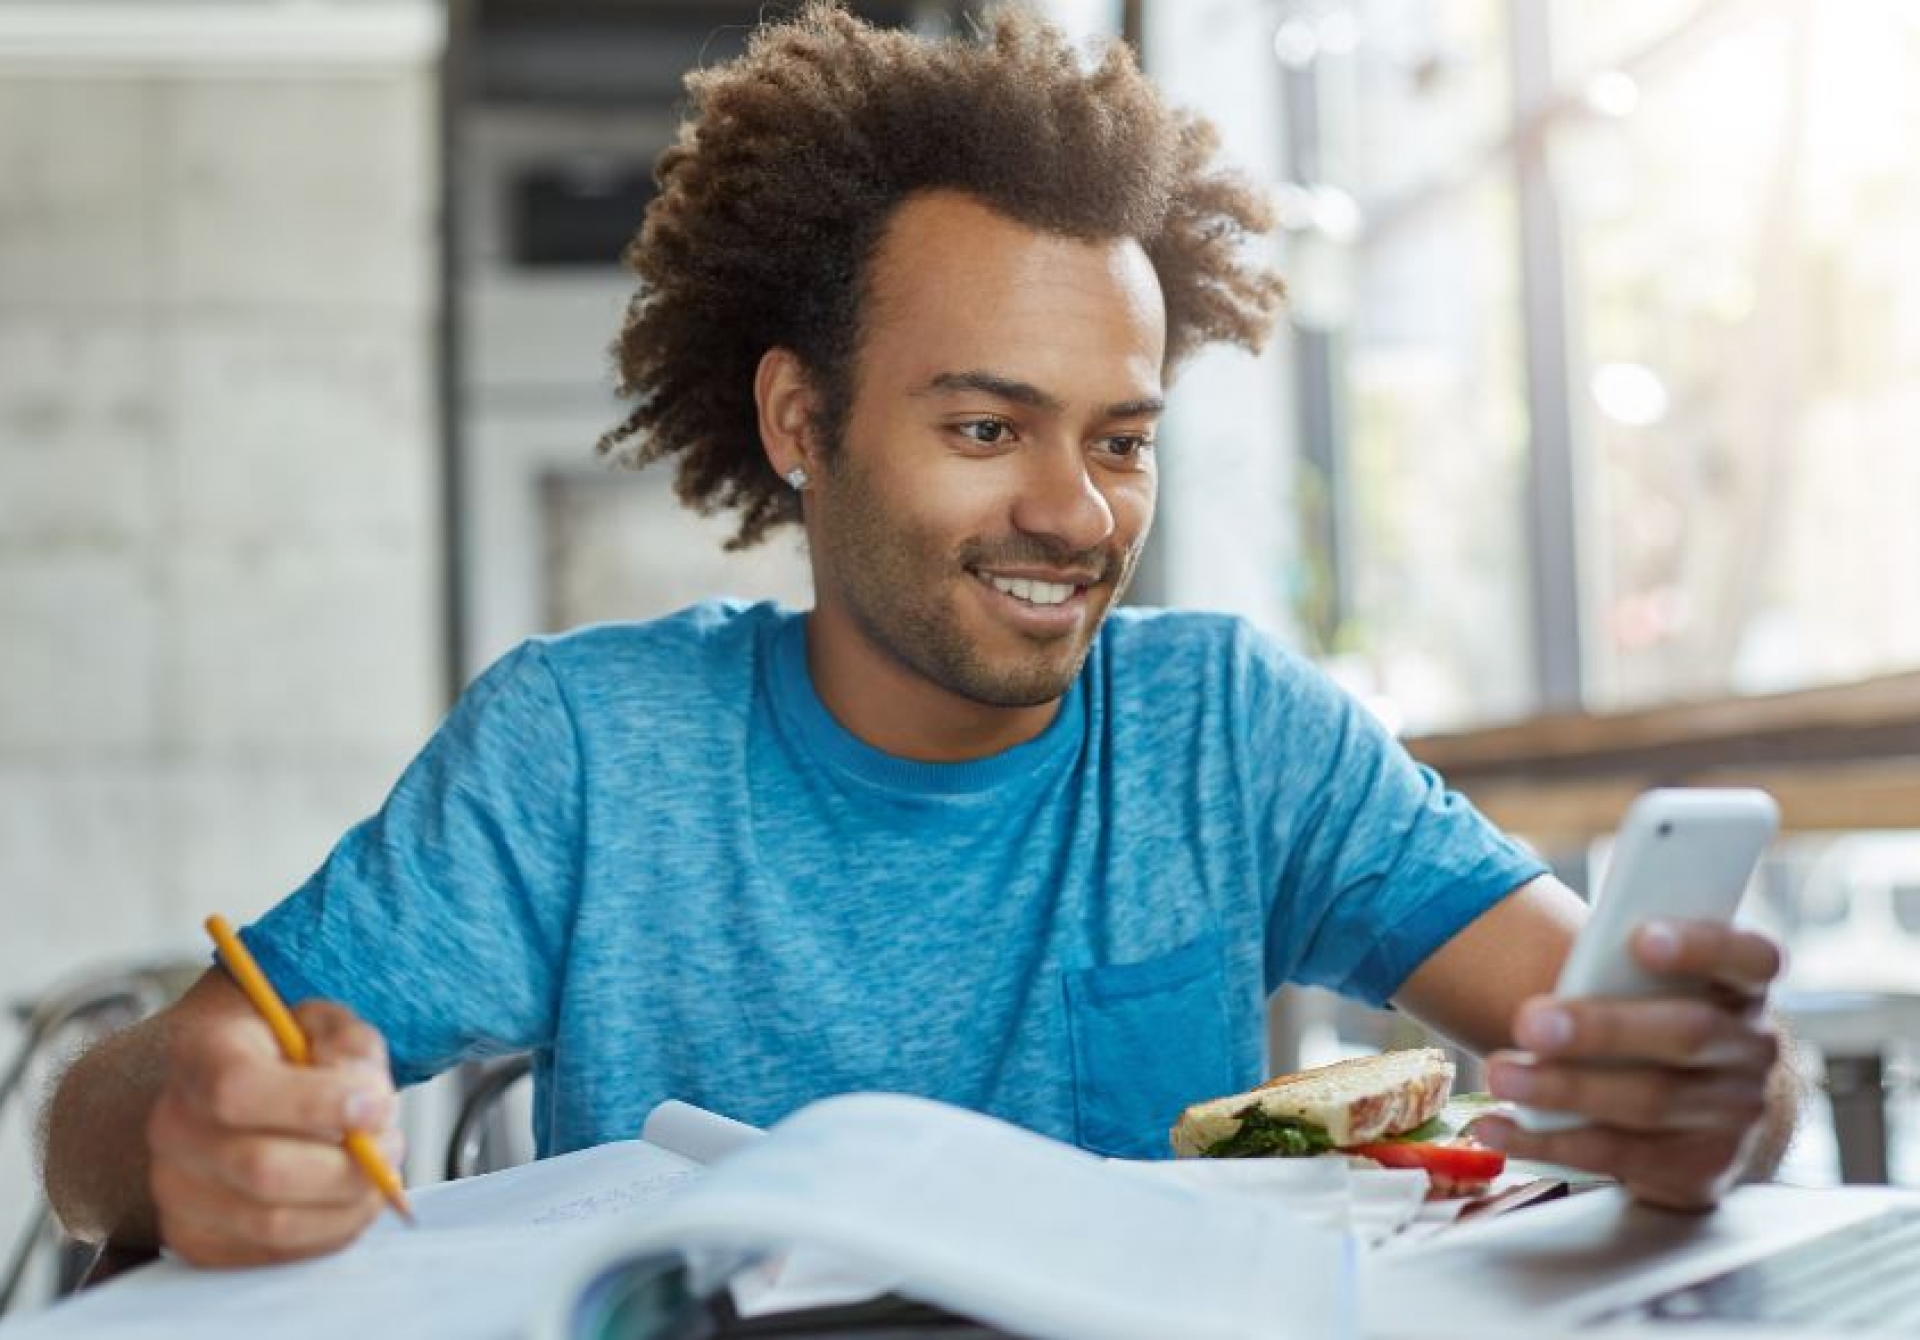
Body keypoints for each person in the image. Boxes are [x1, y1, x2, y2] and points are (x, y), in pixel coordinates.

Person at [43, 2, 1794, 1269]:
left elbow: (1612, 1032)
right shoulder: (587, 750)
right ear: (801, 423)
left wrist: (1716, 1096)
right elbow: (95, 1135)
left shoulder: (1230, 731)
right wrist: (183, 1136)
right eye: (985, 429)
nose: (1078, 510)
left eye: (1120, 437)